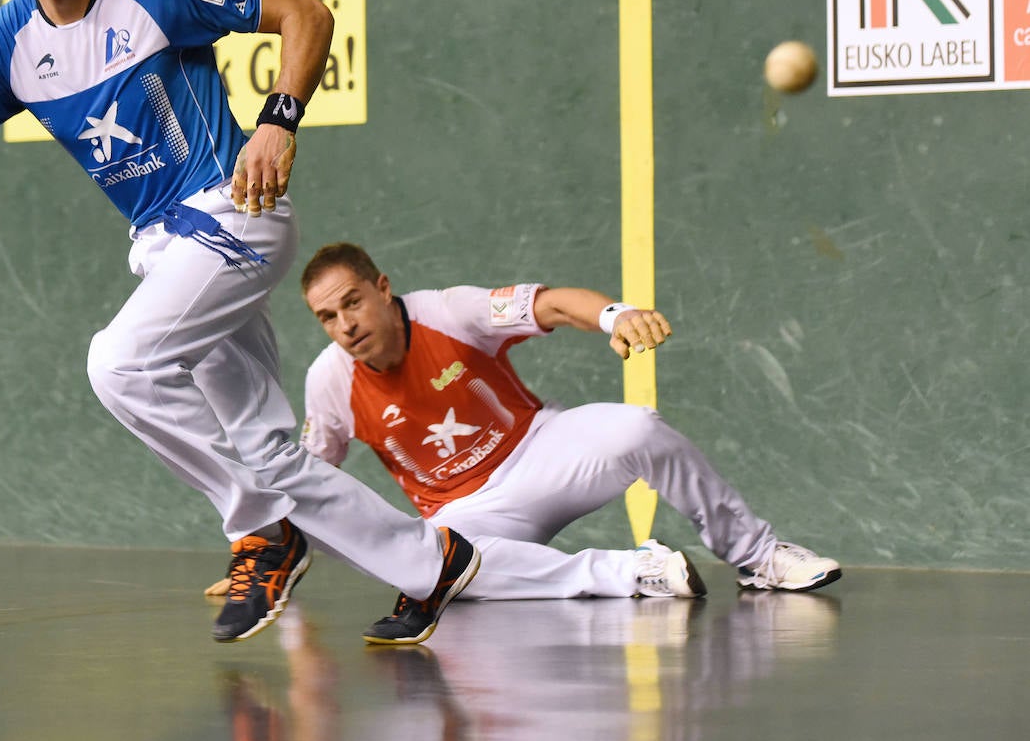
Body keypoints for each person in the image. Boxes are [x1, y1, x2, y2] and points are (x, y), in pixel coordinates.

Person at [0, 0, 479, 645]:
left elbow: (306, 14)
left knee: (118, 364)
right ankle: (431, 561)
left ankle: (261, 533)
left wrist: (278, 120)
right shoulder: (2, 46)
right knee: (269, 450)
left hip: (234, 214)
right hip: (166, 253)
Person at [295, 241, 841, 601]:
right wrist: (266, 557)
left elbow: (551, 305)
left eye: (353, 303)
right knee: (429, 570)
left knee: (638, 429)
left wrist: (617, 315)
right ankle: (634, 573)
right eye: (328, 317)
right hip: (467, 513)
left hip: (542, 451)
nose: (345, 325)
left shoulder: (448, 311)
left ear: (383, 289)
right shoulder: (329, 382)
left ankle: (758, 555)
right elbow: (310, 481)